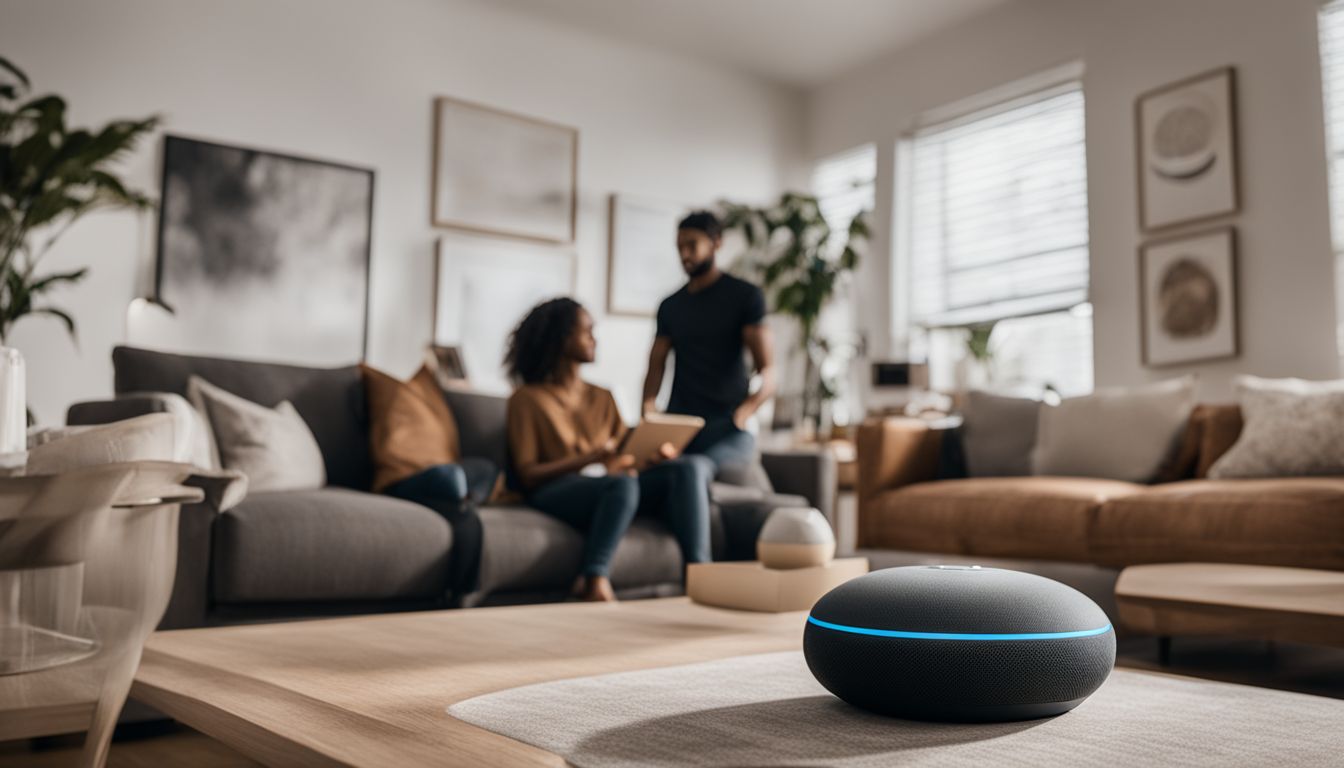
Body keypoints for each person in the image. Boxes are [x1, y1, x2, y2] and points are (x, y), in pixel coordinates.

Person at [505, 297, 712, 602]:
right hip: (554, 490)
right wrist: (589, 458)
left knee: (687, 468)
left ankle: (700, 578)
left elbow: (623, 458)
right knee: (621, 485)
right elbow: (527, 474)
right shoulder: (527, 399)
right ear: (561, 338)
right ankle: (594, 577)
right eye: (586, 331)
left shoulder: (603, 396)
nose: (594, 338)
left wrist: (652, 457)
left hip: (613, 485)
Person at [642, 210, 776, 479]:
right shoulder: (670, 306)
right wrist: (648, 414)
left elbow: (769, 371)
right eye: (680, 246)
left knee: (696, 471)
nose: (685, 255)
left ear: (716, 243)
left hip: (727, 427)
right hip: (680, 424)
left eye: (692, 245)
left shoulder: (745, 297)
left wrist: (744, 413)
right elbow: (655, 368)